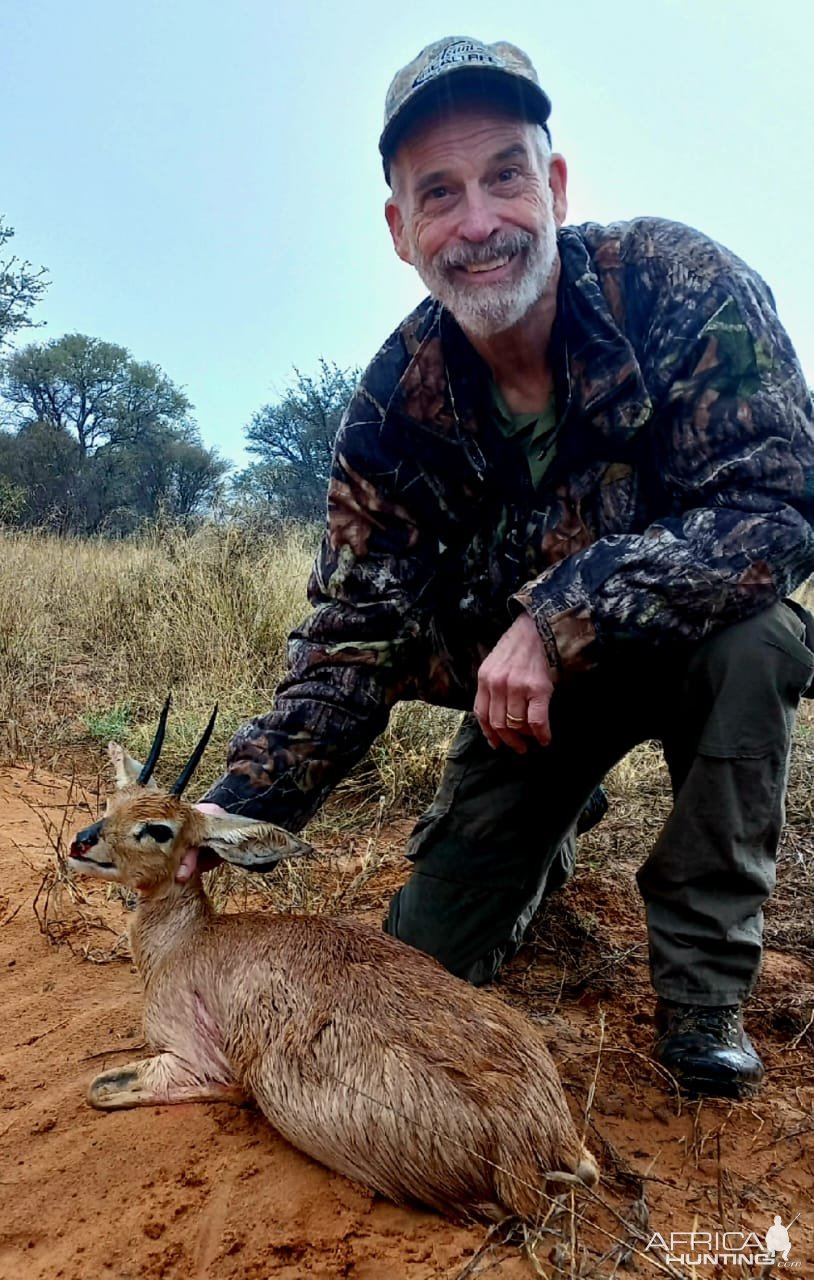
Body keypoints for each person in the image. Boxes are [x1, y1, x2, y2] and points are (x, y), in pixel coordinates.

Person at [188, 37, 814, 1099]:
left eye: (504, 175)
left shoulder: (681, 287)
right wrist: (228, 813)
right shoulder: (393, 410)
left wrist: (557, 613)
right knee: (425, 960)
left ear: (555, 183)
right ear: (401, 231)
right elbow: (350, 639)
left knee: (759, 642)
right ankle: (548, 824)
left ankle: (704, 994)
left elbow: (779, 505)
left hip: (689, 654)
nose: (477, 222)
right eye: (438, 193)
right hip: (526, 711)